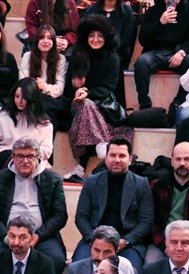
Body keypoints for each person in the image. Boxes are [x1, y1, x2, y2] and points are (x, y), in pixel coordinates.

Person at [0, 136, 69, 273]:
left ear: (38, 157)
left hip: (41, 236)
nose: (25, 161)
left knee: (56, 259)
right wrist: (7, 236)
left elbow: (60, 215)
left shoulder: (53, 179)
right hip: (4, 235)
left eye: (30, 156)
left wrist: (38, 236)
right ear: (13, 157)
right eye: (20, 156)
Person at [60, 16, 132, 179]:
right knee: (85, 105)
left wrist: (88, 93)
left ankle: (80, 168)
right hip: (76, 105)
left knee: (88, 106)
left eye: (100, 35)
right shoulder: (78, 56)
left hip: (103, 104)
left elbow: (108, 88)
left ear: (106, 38)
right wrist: (77, 91)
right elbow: (67, 90)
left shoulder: (113, 59)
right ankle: (102, 143)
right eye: (91, 35)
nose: (95, 39)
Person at [73, 139, 152, 270]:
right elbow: (81, 217)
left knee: (132, 272)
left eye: (122, 156)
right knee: (79, 269)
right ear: (106, 158)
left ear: (130, 159)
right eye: (112, 155)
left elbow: (146, 221)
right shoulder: (91, 182)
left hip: (127, 244)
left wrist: (125, 241)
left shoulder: (141, 184)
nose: (117, 160)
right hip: (94, 241)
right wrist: (95, 240)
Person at [145, 142, 189, 265]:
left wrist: (187, 247)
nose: (182, 163)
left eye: (187, 159)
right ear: (172, 161)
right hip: (163, 242)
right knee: (151, 266)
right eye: (178, 159)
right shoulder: (157, 185)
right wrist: (165, 246)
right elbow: (151, 222)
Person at [0, 78, 52, 176]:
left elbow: (46, 150)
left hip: (32, 161)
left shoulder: (45, 124)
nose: (19, 101)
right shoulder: (5, 117)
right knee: (15, 160)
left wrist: (28, 154)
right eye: (17, 96)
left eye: (24, 97)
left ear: (32, 98)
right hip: (4, 158)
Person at [133, 0, 189, 112]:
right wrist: (160, 22)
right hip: (155, 52)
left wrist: (182, 52)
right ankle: (145, 105)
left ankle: (178, 103)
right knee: (141, 62)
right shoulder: (153, 10)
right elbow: (143, 39)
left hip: (177, 53)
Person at [19, 25, 68, 126]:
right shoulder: (27, 56)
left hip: (52, 101)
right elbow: (23, 82)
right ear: (36, 40)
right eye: (41, 37)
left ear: (54, 42)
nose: (45, 41)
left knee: (52, 112)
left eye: (49, 38)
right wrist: (35, 86)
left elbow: (59, 89)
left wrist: (44, 87)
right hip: (31, 98)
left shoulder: (60, 59)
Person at [80, 0, 136, 70]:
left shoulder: (127, 11)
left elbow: (125, 40)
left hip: (117, 54)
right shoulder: (91, 10)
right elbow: (83, 36)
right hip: (93, 54)